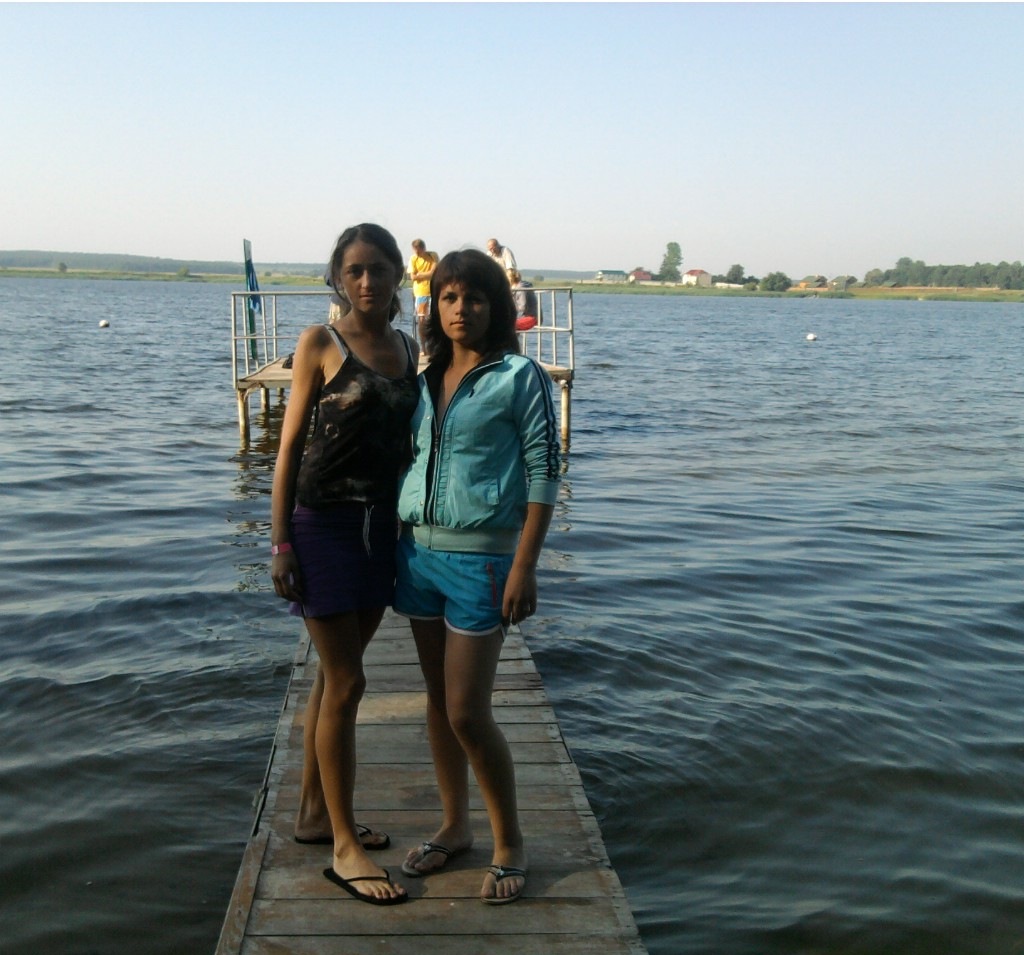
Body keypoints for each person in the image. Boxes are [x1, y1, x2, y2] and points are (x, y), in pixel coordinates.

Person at [393, 249, 561, 905]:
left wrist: (525, 564)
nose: (460, 309)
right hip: (417, 556)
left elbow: (544, 469)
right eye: (448, 297)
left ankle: (509, 841)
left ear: (496, 307)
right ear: (433, 306)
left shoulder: (520, 376)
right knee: (439, 702)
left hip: (483, 561)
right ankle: (454, 825)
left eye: (474, 297)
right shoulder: (426, 376)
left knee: (467, 708)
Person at [270, 222, 419, 906]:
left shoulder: (409, 349)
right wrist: (279, 543)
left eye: (378, 269)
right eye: (354, 270)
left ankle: (312, 814)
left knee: (335, 680)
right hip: (322, 526)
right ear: (337, 276)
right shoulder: (320, 343)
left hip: (379, 530)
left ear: (397, 275)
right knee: (349, 680)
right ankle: (343, 846)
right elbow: (288, 448)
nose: (366, 281)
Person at [407, 238, 439, 350]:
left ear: (423, 248)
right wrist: (427, 274)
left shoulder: (432, 255)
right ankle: (424, 347)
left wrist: (420, 274)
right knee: (421, 320)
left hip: (433, 291)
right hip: (421, 292)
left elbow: (434, 272)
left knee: (434, 319)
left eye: (419, 251)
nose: (417, 253)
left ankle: (433, 345)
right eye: (415, 251)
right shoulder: (413, 259)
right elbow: (412, 277)